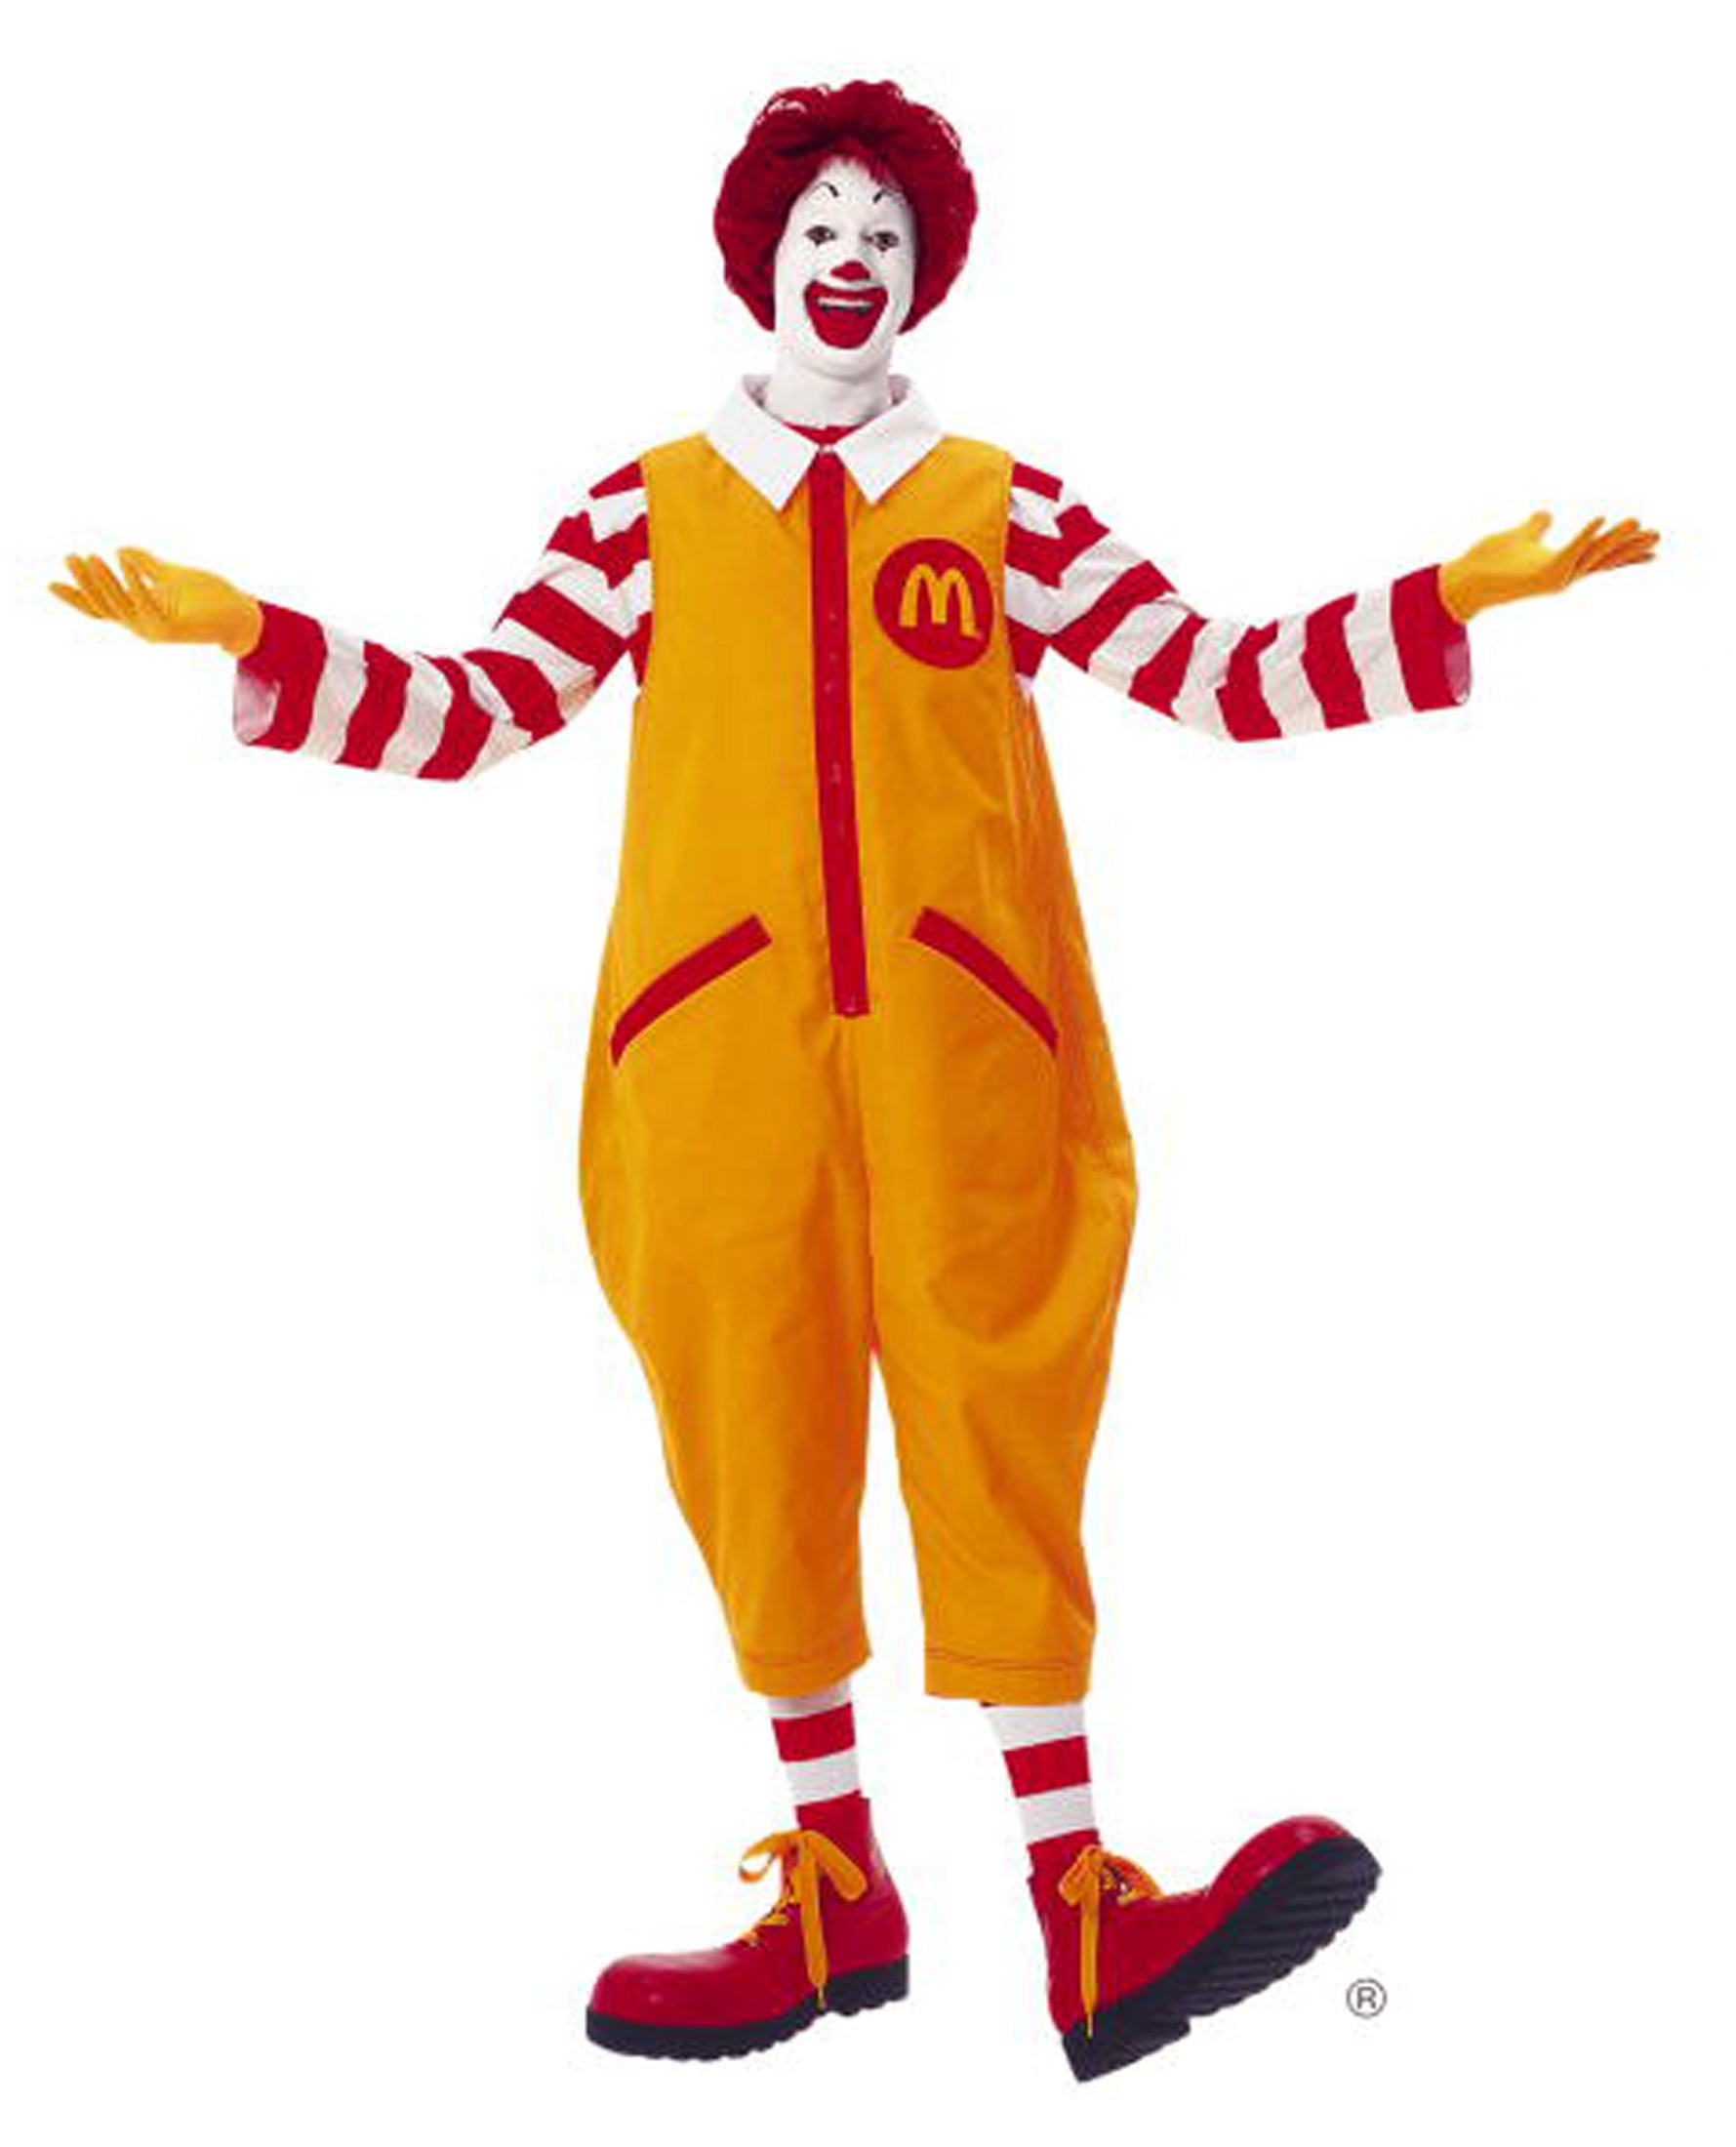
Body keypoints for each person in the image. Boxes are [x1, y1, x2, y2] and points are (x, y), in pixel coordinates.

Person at [49, 78, 1658, 2084]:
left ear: (923, 276)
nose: (851, 256)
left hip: (964, 1052)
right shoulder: (644, 508)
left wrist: (1443, 602)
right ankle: (833, 1886)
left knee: (1003, 1417)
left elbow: (1211, 674)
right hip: (716, 1056)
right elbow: (480, 709)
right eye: (821, 226)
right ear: (762, 255)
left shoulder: (998, 506)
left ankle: (1083, 1908)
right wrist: (258, 638)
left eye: (885, 234)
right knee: (757, 1425)